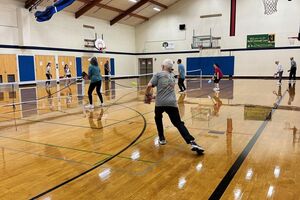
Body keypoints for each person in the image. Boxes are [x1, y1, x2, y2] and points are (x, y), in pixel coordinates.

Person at [145, 58, 204, 155]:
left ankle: (162, 138)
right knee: (178, 123)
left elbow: (149, 86)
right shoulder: (172, 76)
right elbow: (166, 89)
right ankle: (192, 142)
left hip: (160, 103)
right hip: (172, 103)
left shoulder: (158, 74)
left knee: (158, 118)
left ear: (163, 66)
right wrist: (156, 95)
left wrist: (148, 96)